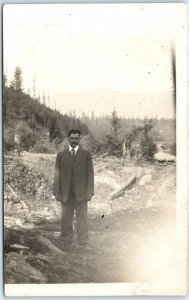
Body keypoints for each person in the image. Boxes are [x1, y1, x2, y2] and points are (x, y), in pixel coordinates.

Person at [53, 129, 94, 248]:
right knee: (66, 218)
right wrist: (56, 191)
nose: (74, 141)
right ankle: (66, 241)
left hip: (81, 193)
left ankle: (83, 241)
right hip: (66, 193)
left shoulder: (86, 155)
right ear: (68, 139)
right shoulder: (61, 155)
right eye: (72, 138)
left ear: (79, 139)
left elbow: (90, 174)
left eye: (76, 138)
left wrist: (90, 191)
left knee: (82, 218)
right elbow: (57, 174)